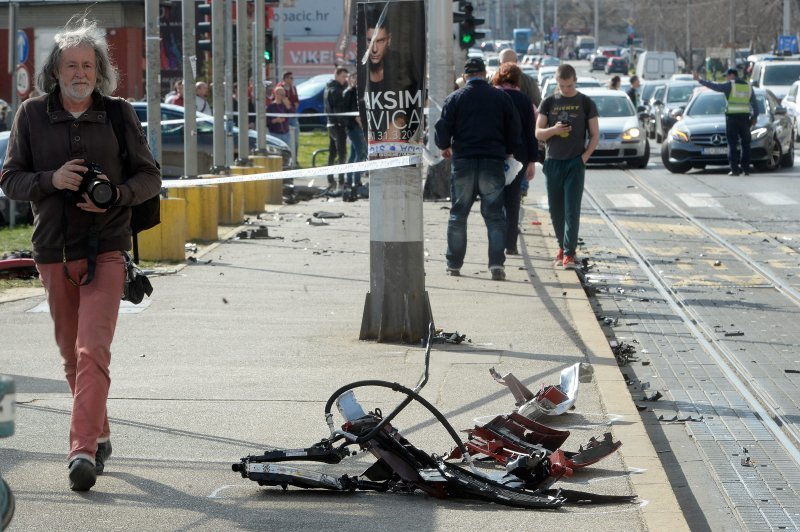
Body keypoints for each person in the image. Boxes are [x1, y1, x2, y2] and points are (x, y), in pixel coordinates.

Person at [0, 17, 161, 491]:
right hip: (52, 252)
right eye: (71, 65)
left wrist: (115, 192)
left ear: (100, 71)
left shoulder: (118, 114)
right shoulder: (30, 114)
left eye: (88, 65)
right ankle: (100, 430)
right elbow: (9, 180)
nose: (80, 73)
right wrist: (52, 180)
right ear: (56, 71)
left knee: (93, 350)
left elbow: (150, 177)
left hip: (107, 250)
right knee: (72, 359)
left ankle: (81, 452)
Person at [434, 57, 521, 281]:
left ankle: (454, 264)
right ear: (485, 75)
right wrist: (509, 151)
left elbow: (443, 129)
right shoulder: (501, 98)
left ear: (465, 77)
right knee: (494, 216)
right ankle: (496, 265)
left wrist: (444, 146)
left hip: (463, 161)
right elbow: (513, 129)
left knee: (458, 214)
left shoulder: (455, 98)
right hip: (492, 162)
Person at [535, 63, 599, 269]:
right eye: (562, 86)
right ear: (557, 83)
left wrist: (584, 157)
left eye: (569, 86)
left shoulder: (585, 102)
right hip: (553, 161)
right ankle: (562, 246)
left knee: (572, 208)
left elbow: (595, 135)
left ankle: (569, 253)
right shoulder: (548, 102)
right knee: (555, 210)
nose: (565, 90)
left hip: (574, 162)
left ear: (575, 81)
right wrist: (553, 129)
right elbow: (538, 133)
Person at [491, 63, 538, 256]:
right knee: (513, 201)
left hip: (495, 154)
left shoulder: (493, 97)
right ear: (518, 80)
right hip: (519, 157)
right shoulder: (525, 100)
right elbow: (530, 133)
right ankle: (511, 244)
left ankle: (496, 244)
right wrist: (532, 161)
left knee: (495, 201)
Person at [693, 67, 759, 176]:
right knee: (746, 144)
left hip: (732, 118)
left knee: (732, 144)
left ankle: (734, 169)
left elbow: (714, 86)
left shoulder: (730, 85)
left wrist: (700, 80)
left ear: (732, 75)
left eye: (727, 76)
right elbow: (755, 104)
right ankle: (746, 169)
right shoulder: (748, 86)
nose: (727, 79)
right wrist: (754, 118)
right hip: (745, 118)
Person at [324, 67, 349, 190]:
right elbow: (338, 110)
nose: (345, 79)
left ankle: (330, 179)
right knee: (341, 153)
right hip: (338, 125)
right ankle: (341, 181)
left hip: (330, 124)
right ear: (337, 75)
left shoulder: (328, 88)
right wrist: (344, 123)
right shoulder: (336, 91)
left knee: (332, 153)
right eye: (344, 76)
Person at [342, 72, 367, 188]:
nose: (357, 81)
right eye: (354, 78)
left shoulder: (351, 92)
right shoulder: (352, 93)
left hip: (352, 127)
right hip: (355, 127)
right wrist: (363, 126)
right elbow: (355, 115)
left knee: (353, 155)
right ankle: (356, 181)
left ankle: (348, 180)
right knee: (359, 153)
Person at [278, 71, 300, 164]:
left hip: (293, 116)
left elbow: (296, 102)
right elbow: (284, 102)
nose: (292, 80)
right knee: (285, 141)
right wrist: (289, 105)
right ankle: (287, 160)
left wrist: (292, 106)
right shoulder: (279, 88)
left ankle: (295, 160)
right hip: (284, 117)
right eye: (291, 78)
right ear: (285, 79)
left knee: (295, 139)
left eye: (292, 78)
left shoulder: (293, 88)